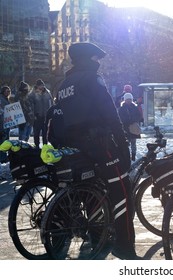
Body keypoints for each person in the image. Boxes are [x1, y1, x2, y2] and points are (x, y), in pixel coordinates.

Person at [53, 42, 138, 259]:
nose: (98, 63)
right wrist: (122, 143)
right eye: (95, 59)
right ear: (87, 59)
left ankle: (99, 236)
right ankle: (124, 246)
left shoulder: (64, 85)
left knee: (92, 190)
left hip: (76, 146)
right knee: (122, 191)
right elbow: (109, 112)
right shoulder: (92, 79)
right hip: (100, 144)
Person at [118, 92, 142, 161]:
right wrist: (128, 121)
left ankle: (133, 156)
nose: (129, 101)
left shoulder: (135, 107)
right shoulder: (121, 109)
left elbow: (139, 116)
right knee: (126, 143)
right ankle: (127, 156)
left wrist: (133, 120)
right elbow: (120, 118)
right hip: (125, 128)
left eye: (130, 99)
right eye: (127, 99)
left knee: (133, 143)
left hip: (133, 128)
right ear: (125, 100)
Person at [30, 79, 54, 147]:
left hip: (46, 116)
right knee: (36, 132)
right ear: (37, 86)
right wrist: (33, 115)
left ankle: (45, 146)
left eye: (42, 85)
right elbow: (31, 105)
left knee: (45, 132)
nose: (42, 87)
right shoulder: (33, 94)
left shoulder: (48, 93)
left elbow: (51, 103)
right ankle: (36, 145)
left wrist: (51, 113)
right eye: (40, 85)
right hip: (37, 116)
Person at [0, 86, 11, 164]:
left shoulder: (6, 100)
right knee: (2, 141)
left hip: (6, 124)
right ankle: (2, 158)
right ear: (3, 92)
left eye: (9, 91)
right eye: (7, 91)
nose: (8, 93)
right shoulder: (1, 99)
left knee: (5, 141)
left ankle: (4, 157)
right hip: (2, 124)